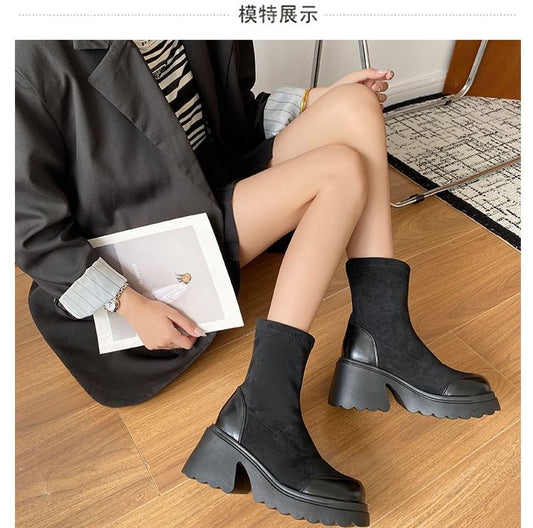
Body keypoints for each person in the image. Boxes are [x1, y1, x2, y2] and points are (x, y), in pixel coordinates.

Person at [15, 40, 500, 527]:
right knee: (340, 171)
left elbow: (229, 121)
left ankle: (381, 332)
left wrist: (314, 100)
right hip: (140, 261)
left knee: (355, 104)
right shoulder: (32, 50)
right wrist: (127, 303)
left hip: (206, 192)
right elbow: (29, 227)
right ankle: (261, 409)